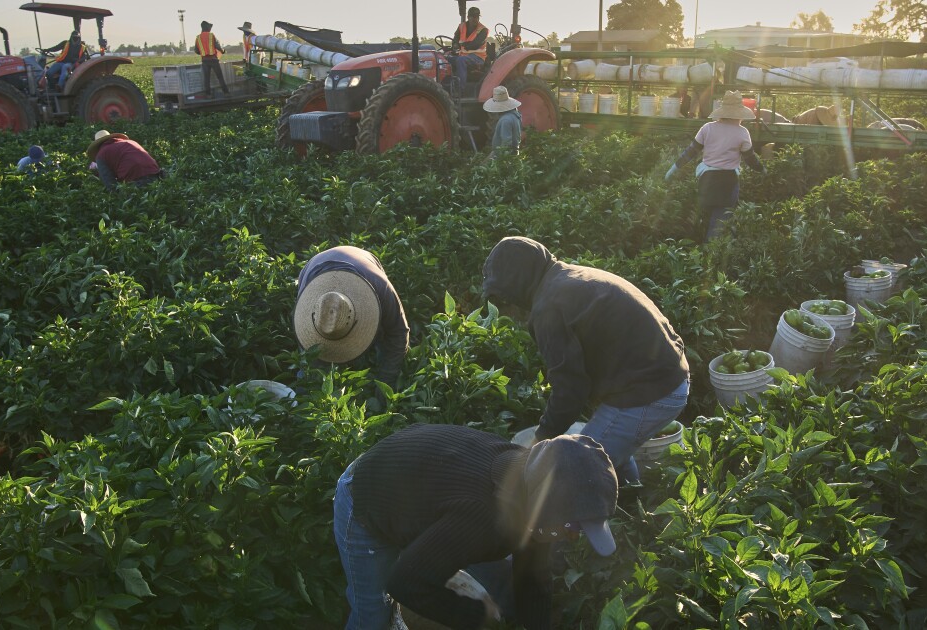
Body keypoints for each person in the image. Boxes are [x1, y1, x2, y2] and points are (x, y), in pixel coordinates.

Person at [334, 423, 618, 629]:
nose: (572, 536)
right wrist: (476, 618)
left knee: (503, 578)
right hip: (367, 497)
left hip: (419, 489)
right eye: (573, 525)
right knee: (372, 613)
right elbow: (405, 584)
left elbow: (533, 576)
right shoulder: (481, 518)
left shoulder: (534, 477)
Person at [481, 236, 690, 486]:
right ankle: (632, 504)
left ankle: (598, 522)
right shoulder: (571, 276)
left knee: (578, 470)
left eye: (505, 294)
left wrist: (542, 438)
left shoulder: (548, 308)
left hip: (650, 394)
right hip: (670, 377)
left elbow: (570, 388)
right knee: (611, 448)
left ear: (517, 280)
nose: (508, 303)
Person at [294, 246, 409, 395]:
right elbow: (308, 355)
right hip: (313, 266)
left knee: (382, 341)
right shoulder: (307, 294)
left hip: (364, 264)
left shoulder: (380, 286)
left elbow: (398, 332)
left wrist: (384, 386)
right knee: (311, 369)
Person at [664, 91, 766, 241]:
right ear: (740, 115)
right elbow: (750, 159)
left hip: (706, 180)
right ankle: (710, 256)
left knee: (702, 217)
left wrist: (673, 169)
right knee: (719, 222)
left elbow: (691, 151)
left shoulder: (708, 128)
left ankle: (692, 249)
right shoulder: (742, 133)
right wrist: (763, 170)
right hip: (728, 183)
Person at [86, 130, 164, 191]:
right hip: (156, 174)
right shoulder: (130, 142)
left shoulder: (101, 154)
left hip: (135, 179)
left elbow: (108, 181)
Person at [449, 6, 488, 85]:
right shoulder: (461, 27)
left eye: (477, 17)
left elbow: (475, 44)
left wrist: (462, 45)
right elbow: (455, 39)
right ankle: (447, 85)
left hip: (478, 58)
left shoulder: (483, 30)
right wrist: (455, 45)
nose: (475, 19)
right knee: (444, 59)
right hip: (463, 55)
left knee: (461, 60)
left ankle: (460, 89)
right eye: (473, 16)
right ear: (468, 17)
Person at [484, 85, 522, 159]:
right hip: (514, 154)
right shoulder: (516, 116)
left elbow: (507, 143)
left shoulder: (505, 120)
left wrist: (501, 159)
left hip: (503, 156)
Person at [194, 21, 230, 97]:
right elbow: (217, 46)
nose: (210, 28)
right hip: (213, 60)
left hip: (204, 61)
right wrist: (223, 51)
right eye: (209, 27)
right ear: (207, 27)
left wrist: (203, 52)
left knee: (207, 79)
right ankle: (226, 93)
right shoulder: (211, 35)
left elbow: (196, 51)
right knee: (220, 77)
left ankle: (208, 95)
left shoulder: (198, 38)